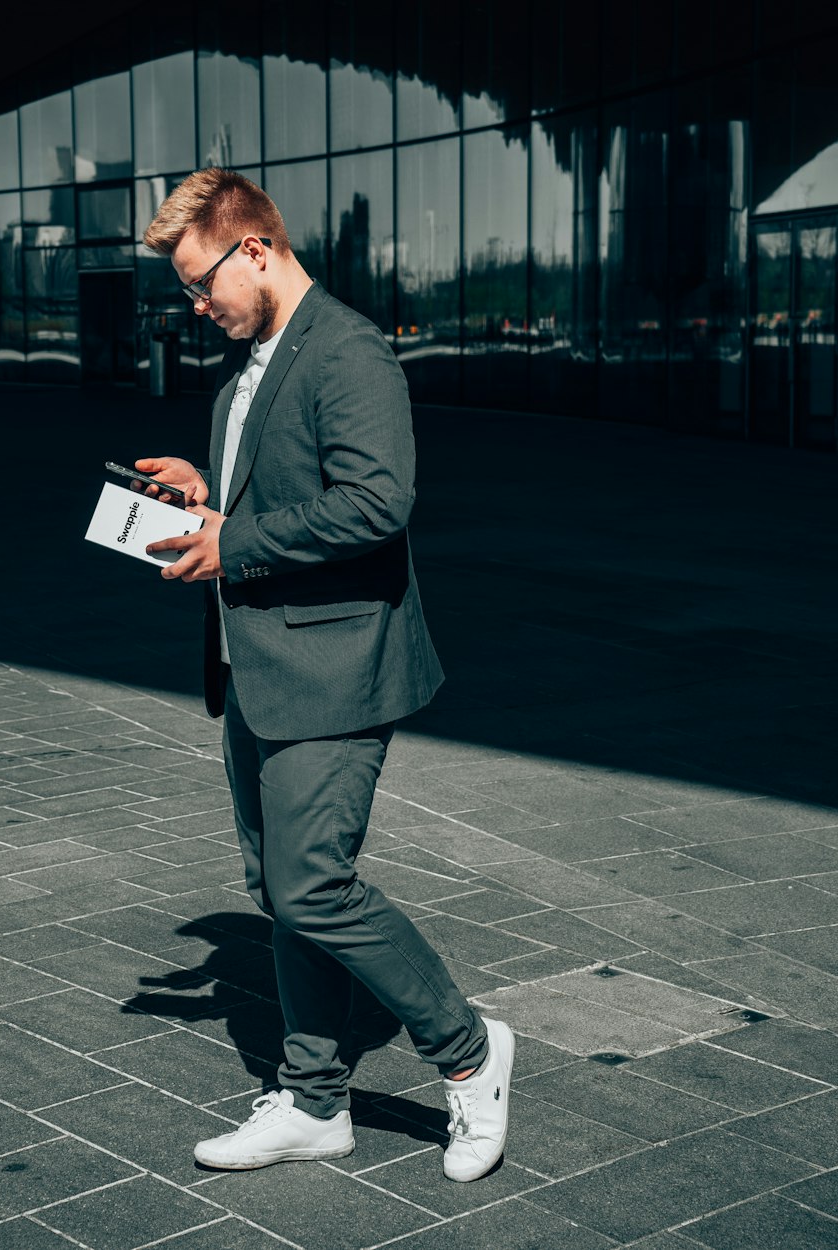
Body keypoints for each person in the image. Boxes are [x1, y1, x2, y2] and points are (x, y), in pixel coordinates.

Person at [136, 168, 513, 1183]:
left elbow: (377, 503)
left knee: (312, 883)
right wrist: (206, 496)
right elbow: (285, 489)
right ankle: (312, 1099)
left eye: (201, 282)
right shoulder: (248, 365)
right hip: (255, 664)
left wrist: (237, 538)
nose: (196, 304)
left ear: (254, 247)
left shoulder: (347, 350)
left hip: (336, 664)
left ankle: (470, 1050)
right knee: (278, 886)